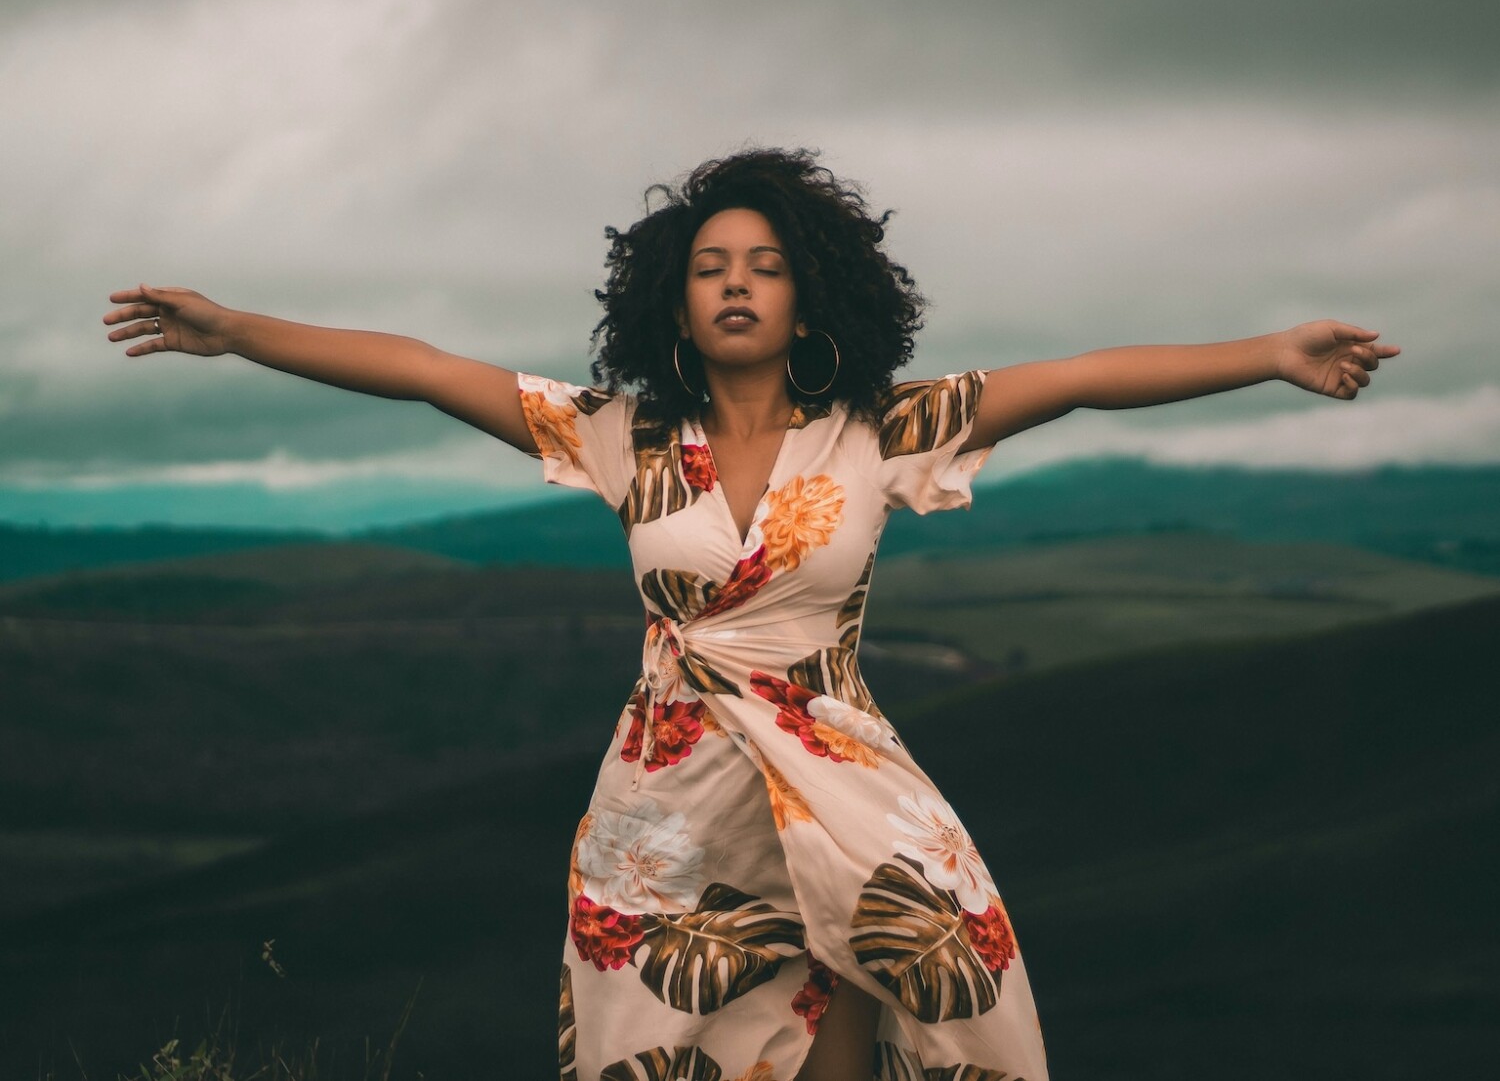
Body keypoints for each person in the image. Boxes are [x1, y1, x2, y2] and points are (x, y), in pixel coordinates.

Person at [103, 146, 1400, 1081]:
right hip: (666, 804)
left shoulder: (881, 429)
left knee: (906, 983)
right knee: (661, 1044)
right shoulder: (621, 435)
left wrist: (1271, 354)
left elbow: (1081, 379)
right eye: (711, 266)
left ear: (808, 294)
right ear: (672, 297)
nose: (736, 284)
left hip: (838, 780)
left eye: (766, 267)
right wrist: (238, 331)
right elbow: (430, 371)